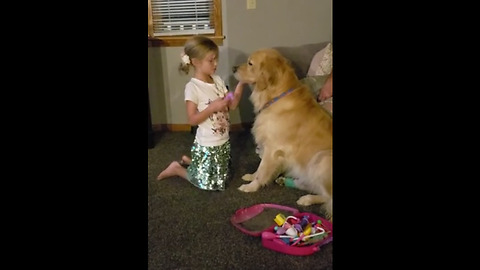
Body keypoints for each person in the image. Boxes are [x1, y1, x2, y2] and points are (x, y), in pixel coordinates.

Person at [157, 36, 246, 191]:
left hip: (223, 141)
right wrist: (212, 108)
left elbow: (232, 105)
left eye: (216, 59)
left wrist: (241, 85)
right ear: (196, 62)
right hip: (208, 144)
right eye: (211, 60)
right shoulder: (193, 88)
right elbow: (192, 120)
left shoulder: (217, 80)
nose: (216, 64)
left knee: (221, 180)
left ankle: (192, 162)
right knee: (209, 184)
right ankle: (177, 169)